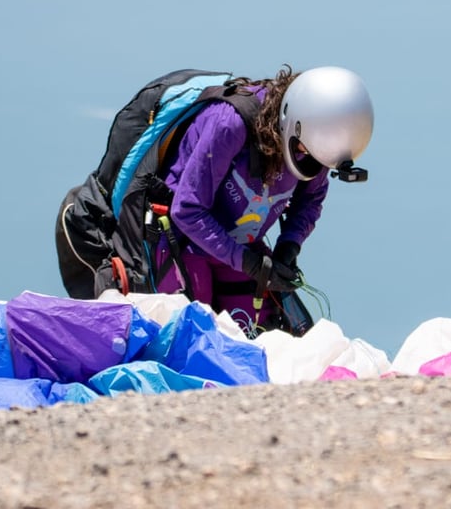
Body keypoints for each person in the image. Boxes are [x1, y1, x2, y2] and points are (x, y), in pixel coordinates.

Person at [149, 64, 373, 335]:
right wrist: (249, 263)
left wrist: (289, 247)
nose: (311, 161)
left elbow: (310, 200)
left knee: (257, 343)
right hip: (186, 243)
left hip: (242, 250)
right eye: (306, 151)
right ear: (293, 124)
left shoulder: (318, 141)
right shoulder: (230, 124)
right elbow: (187, 210)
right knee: (197, 341)